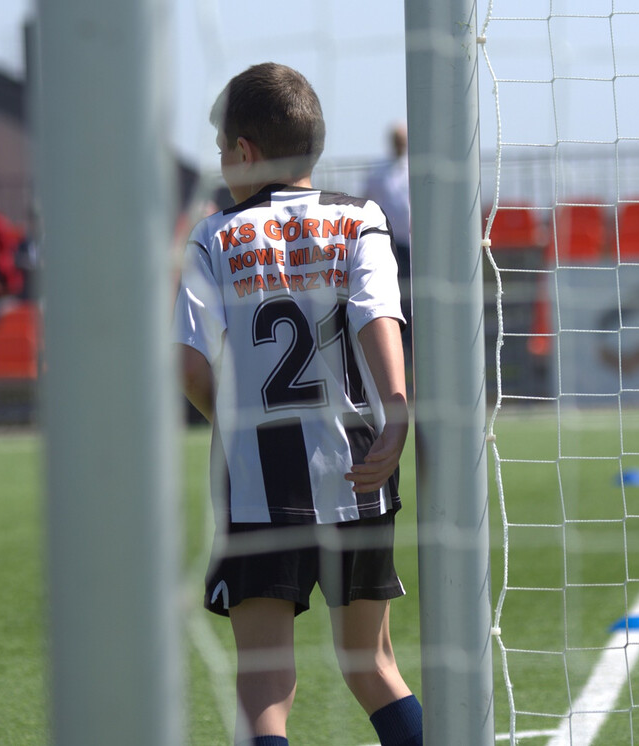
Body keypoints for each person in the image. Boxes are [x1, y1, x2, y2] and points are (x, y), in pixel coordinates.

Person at [174, 62, 422, 746]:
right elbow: (378, 316)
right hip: (359, 468)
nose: (221, 164)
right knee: (370, 663)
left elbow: (190, 365)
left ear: (246, 152)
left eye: (223, 149)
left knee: (264, 690)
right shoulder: (360, 217)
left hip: (258, 487)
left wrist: (231, 420)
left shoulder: (214, 235)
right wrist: (396, 405)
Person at [362, 123, 412, 356]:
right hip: (390, 244)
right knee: (395, 292)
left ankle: (413, 342)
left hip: (414, 244)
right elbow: (367, 201)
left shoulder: (415, 166)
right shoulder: (379, 171)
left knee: (414, 293)